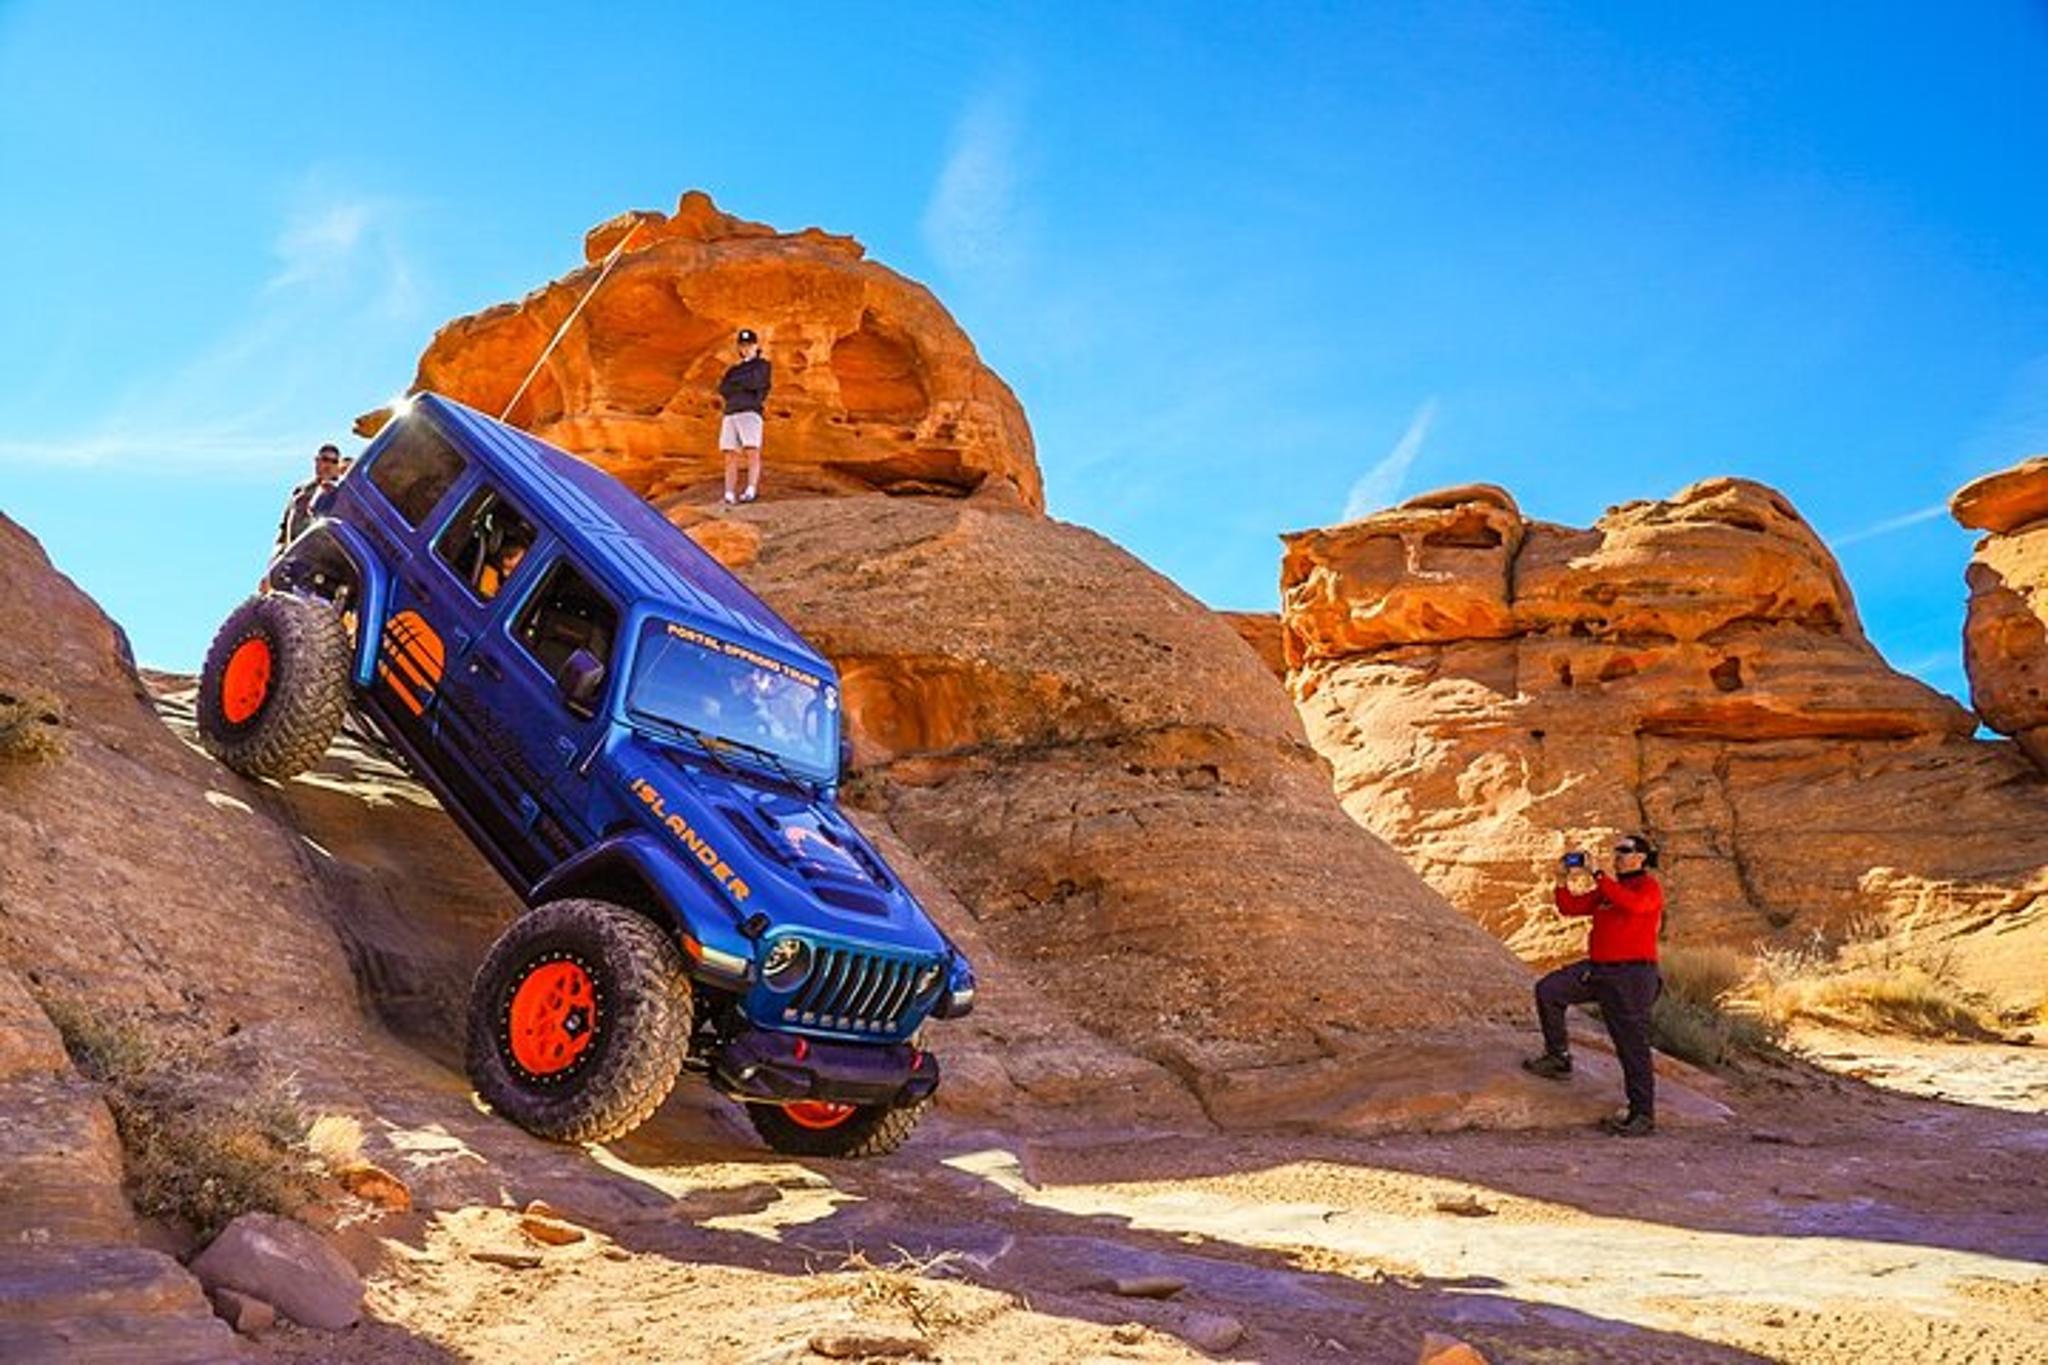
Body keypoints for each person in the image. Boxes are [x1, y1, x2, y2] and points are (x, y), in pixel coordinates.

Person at [1522, 834, 1665, 1137]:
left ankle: (1642, 1115)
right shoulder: (1608, 891)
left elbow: (1635, 907)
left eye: (1625, 851)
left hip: (1632, 976)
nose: (1618, 856)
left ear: (1641, 858)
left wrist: (1599, 875)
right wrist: (1562, 881)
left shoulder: (1647, 887)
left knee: (1631, 1046)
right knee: (1549, 990)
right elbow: (1570, 907)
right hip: (1599, 970)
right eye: (1617, 851)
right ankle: (1558, 1057)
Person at [717, 328, 772, 505]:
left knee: (752, 451)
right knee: (730, 454)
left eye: (749, 345)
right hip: (731, 412)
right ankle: (729, 493)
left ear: (756, 346)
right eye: (743, 345)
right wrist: (743, 384)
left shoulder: (762, 365)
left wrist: (738, 384)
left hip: (750, 411)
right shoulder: (734, 369)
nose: (746, 348)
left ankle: (751, 489)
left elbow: (757, 382)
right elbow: (723, 388)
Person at [276, 443, 344, 550]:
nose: (329, 465)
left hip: (327, 551)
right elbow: (283, 531)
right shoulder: (301, 491)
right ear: (317, 461)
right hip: (296, 552)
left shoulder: (342, 490)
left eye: (334, 462)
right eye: (325, 459)